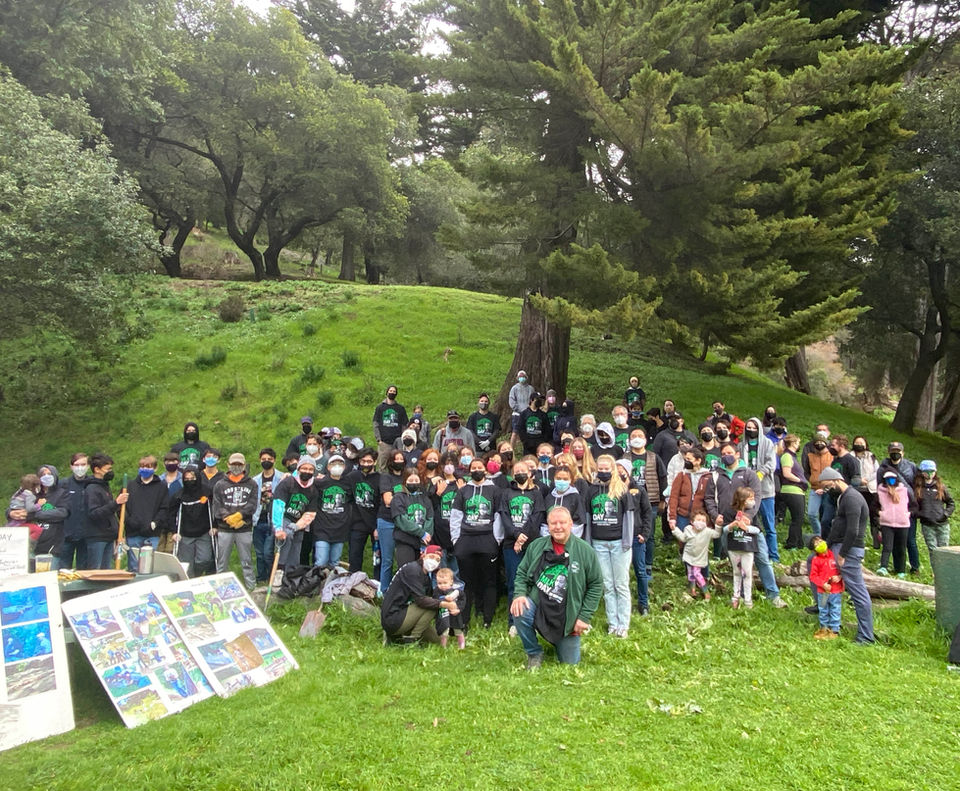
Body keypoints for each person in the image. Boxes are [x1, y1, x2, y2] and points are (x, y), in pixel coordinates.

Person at [510, 506, 604, 668]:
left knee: (569, 664)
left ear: (571, 524)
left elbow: (596, 585)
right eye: (553, 523)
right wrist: (519, 594)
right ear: (547, 525)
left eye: (562, 522)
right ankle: (534, 652)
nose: (558, 527)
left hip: (567, 614)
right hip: (539, 603)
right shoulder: (537, 546)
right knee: (520, 610)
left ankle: (559, 641)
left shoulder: (585, 551)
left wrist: (584, 617)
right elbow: (522, 572)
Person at [818, 467, 874, 644]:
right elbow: (839, 525)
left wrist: (842, 554)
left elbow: (853, 530)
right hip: (837, 545)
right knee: (814, 563)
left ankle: (866, 635)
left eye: (828, 486)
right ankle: (822, 607)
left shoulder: (852, 498)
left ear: (836, 480)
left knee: (857, 591)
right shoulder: (843, 497)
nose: (827, 491)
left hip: (848, 549)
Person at [450, 458, 503, 629]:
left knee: (489, 580)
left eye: (480, 467)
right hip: (466, 539)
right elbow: (456, 516)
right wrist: (456, 540)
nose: (477, 470)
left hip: (487, 538)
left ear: (485, 470)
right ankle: (464, 620)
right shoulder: (463, 491)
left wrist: (496, 539)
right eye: (474, 468)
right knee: (467, 581)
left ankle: (487, 618)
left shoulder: (495, 490)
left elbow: (498, 516)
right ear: (469, 470)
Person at [586, 455, 636, 637]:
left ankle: (624, 624)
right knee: (607, 585)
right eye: (601, 468)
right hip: (599, 544)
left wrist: (626, 542)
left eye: (607, 468)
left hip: (618, 543)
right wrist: (589, 543)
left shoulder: (622, 489)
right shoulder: (591, 490)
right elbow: (588, 517)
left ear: (613, 469)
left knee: (621, 584)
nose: (604, 471)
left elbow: (629, 518)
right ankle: (612, 623)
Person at [498, 459, 545, 635]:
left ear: (530, 473)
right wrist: (516, 536)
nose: (519, 473)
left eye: (523, 470)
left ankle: (535, 618)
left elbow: (537, 517)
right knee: (514, 582)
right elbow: (505, 517)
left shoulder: (536, 493)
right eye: (516, 471)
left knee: (535, 581)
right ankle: (514, 621)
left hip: (532, 544)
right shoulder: (506, 493)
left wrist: (523, 537)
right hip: (511, 544)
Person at [381, 544, 453, 645]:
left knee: (438, 641)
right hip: (393, 617)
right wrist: (444, 604)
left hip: (407, 613)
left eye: (437, 560)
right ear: (423, 555)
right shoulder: (413, 570)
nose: (434, 562)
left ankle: (400, 636)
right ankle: (412, 639)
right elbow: (421, 601)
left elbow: (431, 598)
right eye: (431, 557)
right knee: (433, 605)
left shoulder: (425, 576)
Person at [211, 453, 258, 588]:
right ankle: (220, 586)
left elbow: (252, 504)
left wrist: (239, 516)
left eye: (239, 464)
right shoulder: (220, 484)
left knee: (246, 560)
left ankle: (251, 587)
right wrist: (228, 518)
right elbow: (217, 505)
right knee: (222, 561)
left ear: (244, 465)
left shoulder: (252, 484)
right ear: (228, 465)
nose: (236, 467)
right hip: (224, 528)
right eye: (234, 464)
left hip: (244, 527)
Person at [738, 417, 778, 562]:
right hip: (747, 491)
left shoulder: (768, 443)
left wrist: (760, 472)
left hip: (765, 490)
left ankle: (773, 556)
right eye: (748, 427)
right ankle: (752, 552)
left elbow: (771, 463)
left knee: (769, 525)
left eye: (754, 428)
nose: (751, 430)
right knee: (749, 522)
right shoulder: (741, 446)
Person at [271, 456, 320, 575]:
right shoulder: (288, 483)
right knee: (286, 538)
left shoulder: (313, 489)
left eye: (310, 469)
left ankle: (291, 576)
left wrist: (298, 526)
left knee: (296, 549)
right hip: (283, 517)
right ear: (298, 469)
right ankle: (279, 572)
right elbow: (278, 505)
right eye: (304, 468)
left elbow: (310, 512)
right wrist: (278, 528)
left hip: (299, 522)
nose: (307, 472)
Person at [877, 441, 920, 574]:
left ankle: (915, 567)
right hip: (889, 510)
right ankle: (897, 568)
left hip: (907, 507)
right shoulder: (883, 467)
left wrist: (912, 509)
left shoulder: (911, 466)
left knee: (910, 540)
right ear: (889, 452)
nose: (896, 453)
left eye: (898, 451)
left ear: (903, 452)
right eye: (893, 451)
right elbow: (880, 488)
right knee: (892, 543)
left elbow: (917, 483)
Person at [124, 455, 170, 572]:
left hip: (152, 533)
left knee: (150, 565)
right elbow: (122, 508)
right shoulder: (130, 485)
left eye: (148, 467)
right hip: (133, 533)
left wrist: (155, 523)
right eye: (142, 467)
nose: (144, 469)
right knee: (134, 566)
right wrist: (129, 521)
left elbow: (164, 508)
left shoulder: (161, 486)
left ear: (155, 468)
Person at [84, 454, 128, 570]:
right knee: (96, 570)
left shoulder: (104, 486)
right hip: (97, 537)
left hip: (108, 536)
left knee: (106, 569)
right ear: (97, 470)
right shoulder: (92, 489)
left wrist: (118, 532)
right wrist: (116, 503)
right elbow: (94, 513)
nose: (110, 472)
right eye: (107, 469)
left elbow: (110, 513)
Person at [169, 464, 214, 577]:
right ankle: (191, 581)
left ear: (198, 478)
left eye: (192, 479)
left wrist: (215, 526)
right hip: (185, 535)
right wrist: (174, 532)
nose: (190, 481)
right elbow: (171, 514)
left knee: (204, 559)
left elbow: (214, 509)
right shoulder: (179, 496)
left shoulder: (207, 492)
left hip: (204, 533)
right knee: (187, 564)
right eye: (187, 479)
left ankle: (198, 574)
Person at [721, 487, 761, 609]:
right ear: (742, 499)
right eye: (750, 498)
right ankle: (735, 597)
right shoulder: (729, 512)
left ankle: (748, 599)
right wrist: (733, 525)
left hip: (748, 547)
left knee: (747, 573)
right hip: (734, 546)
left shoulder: (752, 513)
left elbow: (758, 530)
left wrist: (747, 528)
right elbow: (724, 529)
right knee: (736, 572)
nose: (753, 501)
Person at [313, 453, 354, 567]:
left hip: (340, 529)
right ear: (328, 467)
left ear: (344, 467)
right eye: (333, 463)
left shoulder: (348, 483)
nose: (337, 466)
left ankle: (332, 584)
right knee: (321, 561)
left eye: (340, 463)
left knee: (334, 563)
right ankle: (317, 583)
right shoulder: (320, 483)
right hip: (322, 529)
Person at [671, 509, 721, 599]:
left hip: (700, 557)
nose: (700, 522)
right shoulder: (688, 529)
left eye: (703, 521)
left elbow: (717, 534)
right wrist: (675, 529)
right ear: (692, 521)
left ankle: (706, 592)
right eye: (698, 520)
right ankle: (692, 590)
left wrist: (718, 525)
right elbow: (683, 538)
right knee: (690, 574)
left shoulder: (707, 532)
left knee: (696, 573)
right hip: (688, 556)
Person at [376, 449, 407, 593]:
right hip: (387, 521)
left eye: (401, 459)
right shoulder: (385, 477)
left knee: (404, 560)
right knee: (387, 559)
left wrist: (397, 500)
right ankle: (384, 591)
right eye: (396, 459)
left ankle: (401, 591)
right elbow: (387, 500)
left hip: (405, 522)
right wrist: (403, 501)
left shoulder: (408, 477)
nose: (399, 461)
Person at [252, 448, 284, 585]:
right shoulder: (255, 480)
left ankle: (272, 577)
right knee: (259, 553)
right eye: (264, 459)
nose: (266, 462)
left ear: (274, 460)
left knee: (268, 553)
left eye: (269, 459)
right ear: (260, 460)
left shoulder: (282, 478)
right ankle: (261, 578)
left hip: (273, 520)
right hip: (258, 519)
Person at [391, 467, 435, 568]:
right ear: (405, 481)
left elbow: (429, 519)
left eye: (416, 480)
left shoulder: (425, 499)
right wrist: (421, 533)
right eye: (410, 480)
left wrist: (426, 537)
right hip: (405, 541)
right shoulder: (398, 498)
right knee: (407, 571)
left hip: (422, 543)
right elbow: (401, 520)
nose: (413, 483)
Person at [347, 448, 381, 576]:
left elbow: (382, 505)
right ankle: (353, 581)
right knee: (354, 555)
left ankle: (378, 584)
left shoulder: (380, 479)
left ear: (375, 462)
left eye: (369, 461)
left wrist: (378, 526)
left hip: (375, 523)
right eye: (363, 461)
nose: (366, 464)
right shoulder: (353, 477)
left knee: (378, 557)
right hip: (357, 523)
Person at [915, 460, 955, 561]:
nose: (930, 474)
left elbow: (951, 503)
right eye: (927, 471)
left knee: (944, 549)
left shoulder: (941, 487)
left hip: (942, 524)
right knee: (933, 551)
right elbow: (914, 506)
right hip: (927, 525)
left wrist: (945, 514)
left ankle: (945, 573)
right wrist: (921, 514)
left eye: (932, 471)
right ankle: (936, 573)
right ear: (922, 472)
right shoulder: (918, 488)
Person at [57, 453, 90, 569]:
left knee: (84, 571)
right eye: (77, 464)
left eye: (83, 464)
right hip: (65, 535)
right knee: (63, 570)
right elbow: (50, 505)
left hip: (86, 535)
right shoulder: (63, 484)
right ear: (71, 466)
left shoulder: (93, 484)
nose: (80, 467)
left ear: (88, 466)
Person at [808, 534, 844, 640]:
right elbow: (813, 576)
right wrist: (822, 584)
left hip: (835, 590)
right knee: (823, 609)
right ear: (814, 549)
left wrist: (839, 577)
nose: (820, 543)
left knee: (835, 609)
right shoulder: (816, 560)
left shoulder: (834, 555)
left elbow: (842, 569)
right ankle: (824, 628)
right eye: (816, 543)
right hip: (822, 591)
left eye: (820, 540)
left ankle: (834, 630)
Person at [778, 434, 808, 550]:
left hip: (797, 491)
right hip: (792, 490)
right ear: (794, 443)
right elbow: (786, 473)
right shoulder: (787, 456)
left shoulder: (793, 456)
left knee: (799, 518)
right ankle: (791, 544)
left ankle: (799, 542)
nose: (799, 445)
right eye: (798, 442)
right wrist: (800, 480)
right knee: (797, 518)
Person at [851, 436, 881, 549]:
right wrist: (858, 481)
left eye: (861, 443)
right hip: (856, 489)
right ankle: (857, 539)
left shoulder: (871, 456)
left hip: (870, 490)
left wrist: (866, 479)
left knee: (874, 516)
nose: (859, 444)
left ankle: (876, 542)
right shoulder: (850, 456)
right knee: (858, 515)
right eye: (857, 442)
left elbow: (877, 471)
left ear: (865, 444)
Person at [802, 433, 833, 537]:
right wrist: (811, 480)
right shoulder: (810, 456)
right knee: (811, 514)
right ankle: (818, 534)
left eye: (822, 442)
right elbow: (806, 470)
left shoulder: (831, 456)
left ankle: (827, 535)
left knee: (826, 516)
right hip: (814, 489)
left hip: (829, 489)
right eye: (817, 442)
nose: (819, 444)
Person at [542, 466, 587, 537]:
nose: (562, 481)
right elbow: (543, 521)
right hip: (550, 539)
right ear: (554, 479)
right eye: (559, 478)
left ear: (570, 480)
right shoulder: (549, 498)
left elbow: (579, 522)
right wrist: (548, 537)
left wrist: (566, 537)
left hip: (569, 539)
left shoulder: (575, 497)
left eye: (565, 479)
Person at [373, 386, 408, 468]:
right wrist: (379, 440)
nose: (392, 393)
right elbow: (375, 424)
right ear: (387, 392)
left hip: (397, 441)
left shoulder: (400, 408)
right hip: (384, 443)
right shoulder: (380, 408)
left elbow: (404, 424)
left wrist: (402, 438)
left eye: (394, 391)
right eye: (390, 391)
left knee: (398, 464)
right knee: (382, 465)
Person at [434, 567, 467, 649]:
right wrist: (444, 599)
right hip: (443, 614)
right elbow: (435, 600)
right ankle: (443, 647)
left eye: (445, 583)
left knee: (459, 631)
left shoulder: (457, 591)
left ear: (451, 581)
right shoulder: (436, 591)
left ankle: (462, 646)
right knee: (444, 631)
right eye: (439, 583)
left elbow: (462, 600)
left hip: (455, 615)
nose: (442, 585)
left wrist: (458, 609)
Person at [508, 370, 535, 448]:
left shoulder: (531, 388)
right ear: (517, 378)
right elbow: (511, 401)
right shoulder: (514, 388)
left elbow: (533, 400)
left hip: (528, 414)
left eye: (523, 376)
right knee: (515, 432)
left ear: (526, 377)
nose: (522, 378)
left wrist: (529, 410)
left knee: (528, 432)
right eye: (520, 377)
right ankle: (511, 449)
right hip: (517, 414)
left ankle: (527, 448)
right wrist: (519, 409)